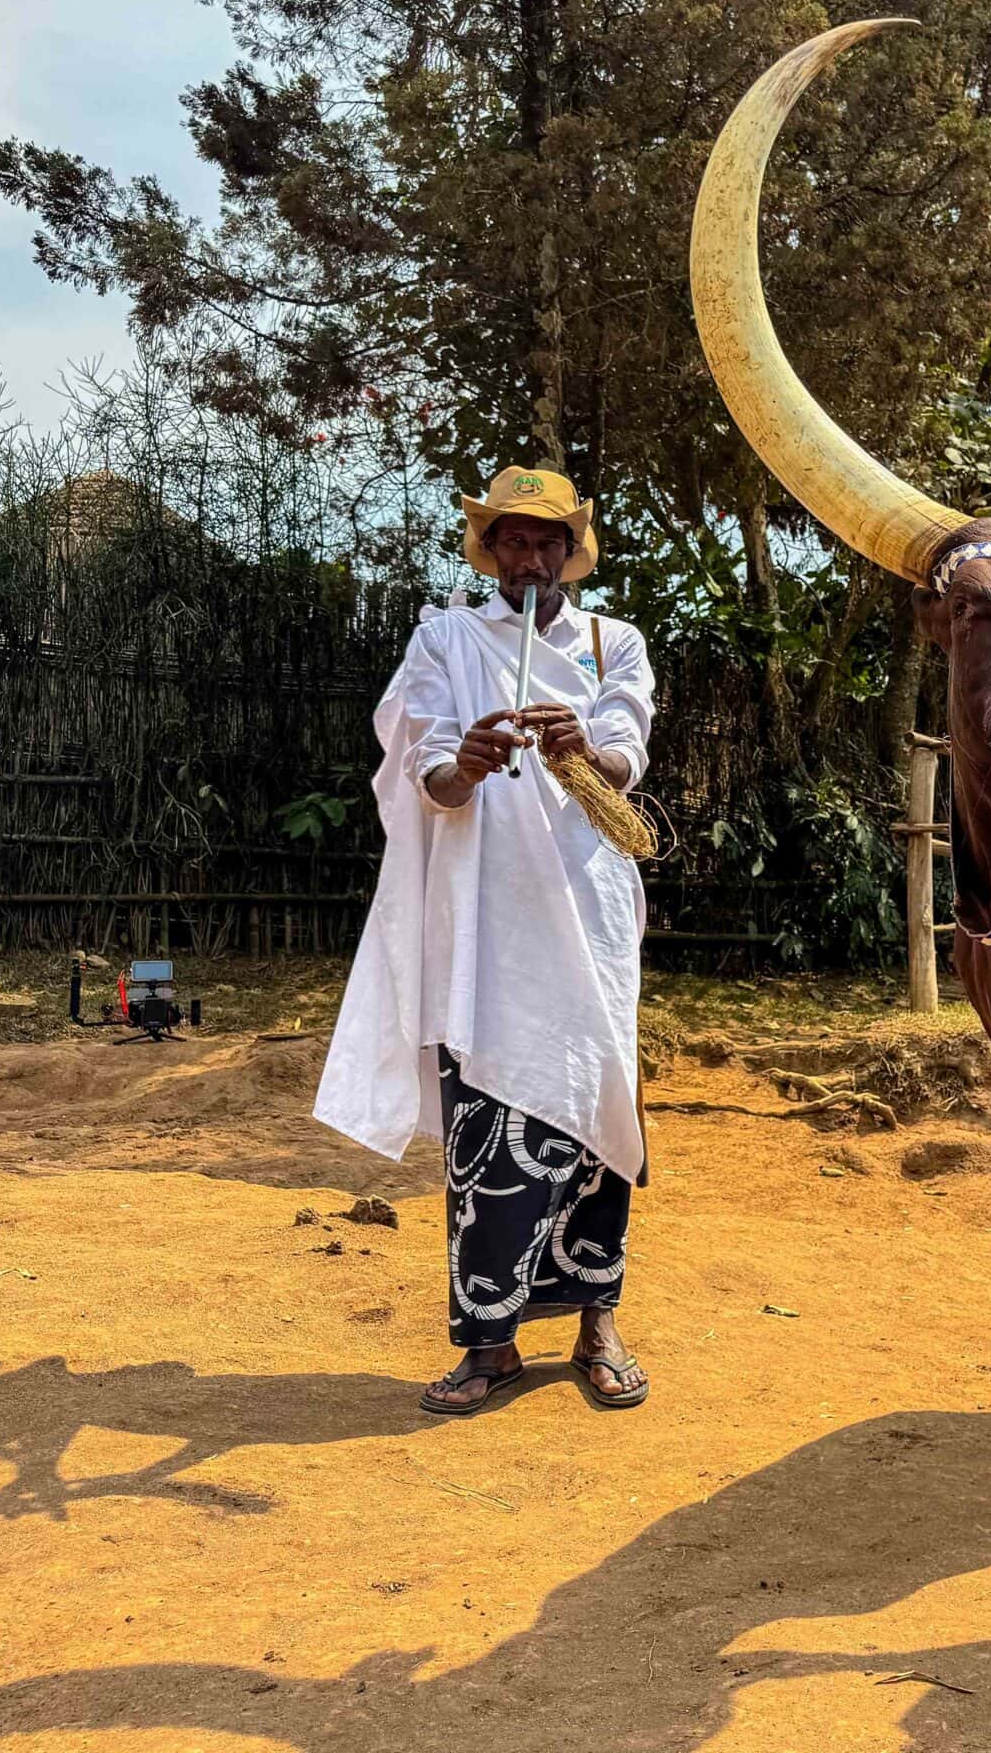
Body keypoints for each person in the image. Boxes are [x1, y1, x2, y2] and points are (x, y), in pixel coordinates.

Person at [314, 465, 658, 1416]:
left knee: (600, 1113)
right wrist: (462, 764)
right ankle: (491, 1343)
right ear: (491, 550)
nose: (531, 556)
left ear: (571, 553)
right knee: (489, 1127)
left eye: (548, 541)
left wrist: (582, 749)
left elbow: (629, 752)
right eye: (513, 539)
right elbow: (419, 770)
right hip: (484, 926)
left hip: (586, 921)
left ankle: (597, 1324)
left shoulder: (610, 642)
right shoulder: (445, 637)